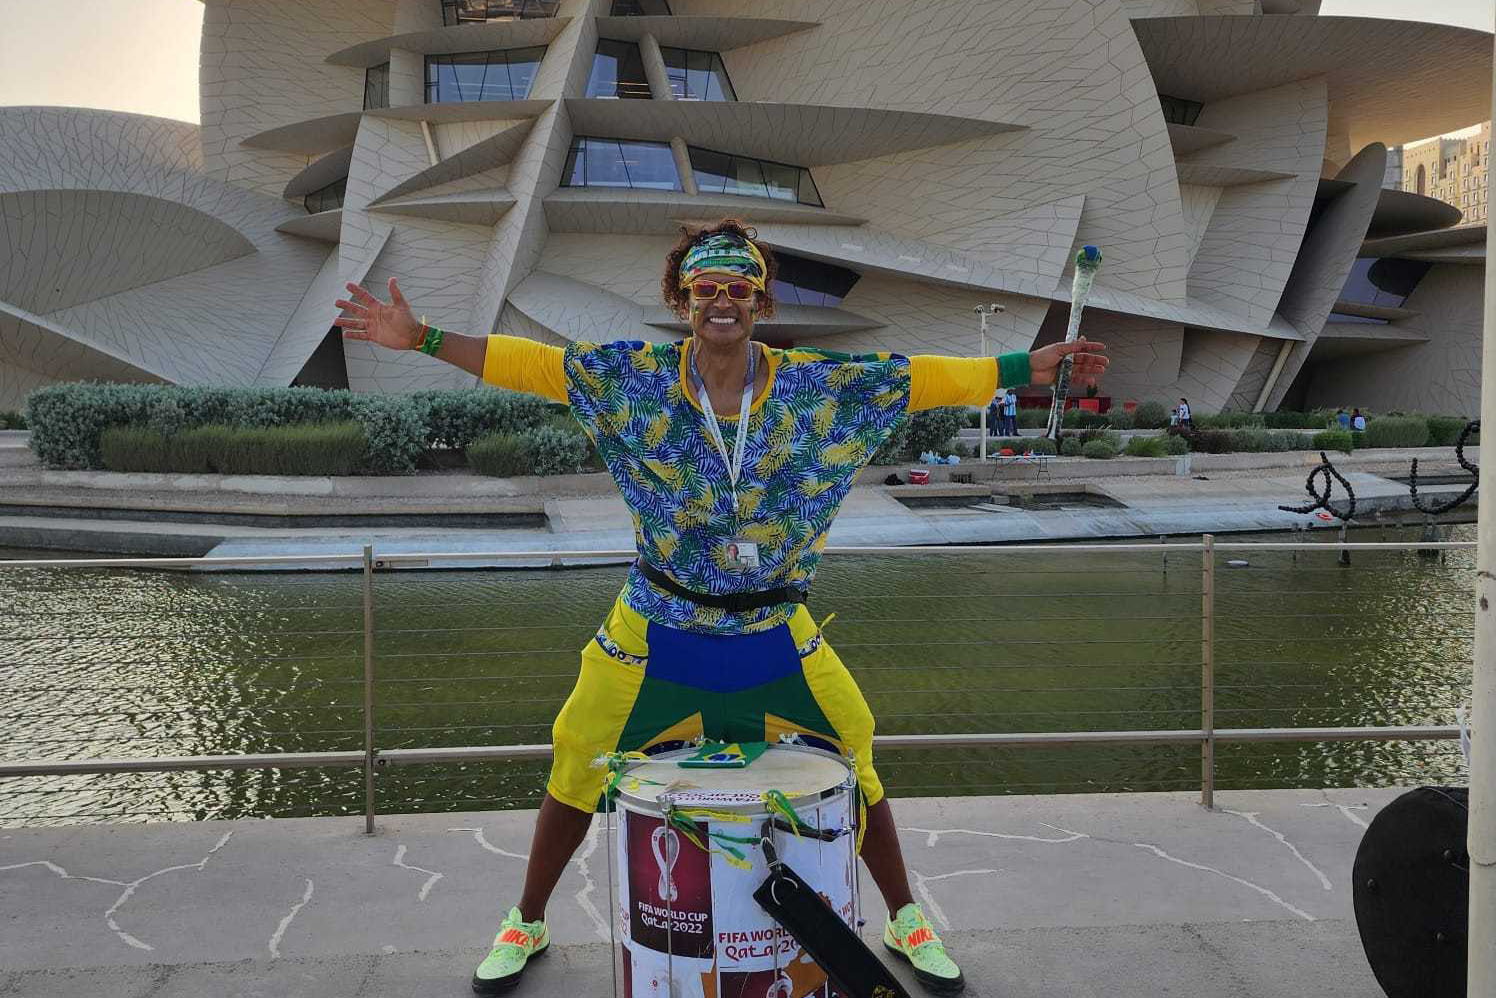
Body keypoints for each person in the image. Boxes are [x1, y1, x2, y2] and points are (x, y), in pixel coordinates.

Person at [334, 219, 1109, 996]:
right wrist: (424, 338)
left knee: (855, 752)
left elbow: (923, 379)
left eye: (740, 288)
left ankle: (906, 918)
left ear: (760, 299)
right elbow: (537, 364)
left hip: (776, 629)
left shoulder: (817, 386)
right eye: (708, 288)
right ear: (683, 298)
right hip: (657, 627)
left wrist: (1024, 365)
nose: (724, 302)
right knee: (576, 758)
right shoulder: (632, 378)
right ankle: (527, 920)